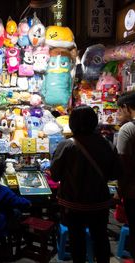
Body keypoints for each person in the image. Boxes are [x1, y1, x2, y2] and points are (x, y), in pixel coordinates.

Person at [50, 105, 122, 263]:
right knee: (101, 238)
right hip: (99, 203)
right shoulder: (106, 144)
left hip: (73, 204)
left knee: (77, 241)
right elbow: (115, 173)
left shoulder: (67, 145)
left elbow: (55, 176)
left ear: (72, 123)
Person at [116, 91, 135, 260]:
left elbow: (123, 165)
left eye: (119, 110)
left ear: (126, 108)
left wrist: (120, 189)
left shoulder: (128, 129)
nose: (117, 115)